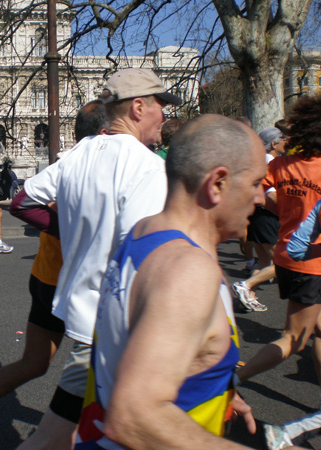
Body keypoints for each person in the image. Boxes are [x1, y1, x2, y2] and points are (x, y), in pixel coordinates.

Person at [74, 114, 274, 449]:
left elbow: (141, 342)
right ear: (218, 183)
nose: (262, 198)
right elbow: (135, 415)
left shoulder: (144, 233)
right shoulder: (188, 269)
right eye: (256, 183)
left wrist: (214, 386)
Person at [10, 68, 179, 450]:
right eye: (160, 106)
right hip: (114, 327)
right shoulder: (149, 166)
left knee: (63, 431)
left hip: (78, 310)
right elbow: (139, 256)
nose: (164, 116)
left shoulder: (80, 152)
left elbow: (22, 201)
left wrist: (66, 226)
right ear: (138, 107)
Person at [0, 100, 109, 449]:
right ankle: (75, 434)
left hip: (49, 275)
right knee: (100, 363)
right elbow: (28, 206)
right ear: (105, 133)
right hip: (73, 281)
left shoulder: (70, 163)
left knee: (35, 363)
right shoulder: (88, 167)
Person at [237, 95, 321, 389]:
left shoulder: (282, 165)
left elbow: (253, 193)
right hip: (311, 265)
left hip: (288, 258)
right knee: (294, 339)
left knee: (317, 331)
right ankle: (233, 381)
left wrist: (283, 210)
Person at [233, 126, 286, 312]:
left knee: (264, 262)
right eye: (283, 139)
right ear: (274, 143)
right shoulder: (270, 162)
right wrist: (287, 213)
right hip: (267, 216)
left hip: (257, 216)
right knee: (284, 263)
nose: (286, 142)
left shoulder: (260, 159)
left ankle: (248, 293)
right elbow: (270, 195)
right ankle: (246, 285)